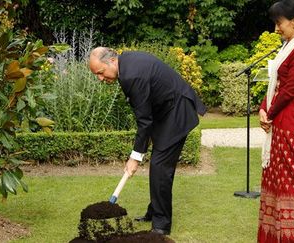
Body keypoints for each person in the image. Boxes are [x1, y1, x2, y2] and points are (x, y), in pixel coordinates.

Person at [88, 47, 206, 235]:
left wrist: (134, 157)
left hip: (176, 112)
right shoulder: (126, 64)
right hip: (165, 112)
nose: (100, 78)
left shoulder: (131, 75)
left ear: (111, 61)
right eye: (97, 75)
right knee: (159, 165)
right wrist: (139, 151)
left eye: (101, 72)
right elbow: (146, 115)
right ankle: (154, 212)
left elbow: (144, 121)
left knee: (160, 167)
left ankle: (161, 225)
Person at [258, 0, 294, 242]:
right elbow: (275, 83)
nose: (276, 29)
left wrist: (269, 113)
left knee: (291, 181)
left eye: (279, 23)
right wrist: (263, 108)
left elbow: (290, 89)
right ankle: (274, 236)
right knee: (275, 180)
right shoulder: (288, 46)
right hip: (279, 118)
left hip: (290, 121)